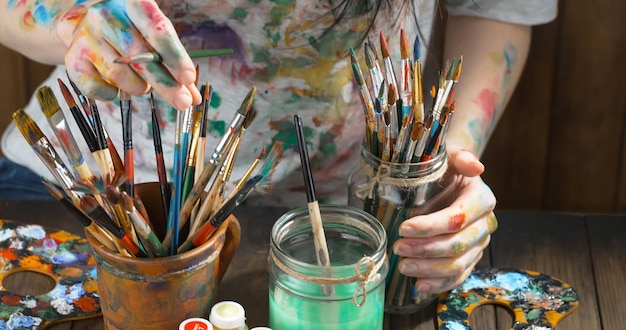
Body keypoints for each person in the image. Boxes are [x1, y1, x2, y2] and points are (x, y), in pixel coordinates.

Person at [0, 1, 557, 294]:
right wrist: (74, 19)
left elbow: (497, 8)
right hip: (84, 194)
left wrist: (447, 160)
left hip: (347, 220)